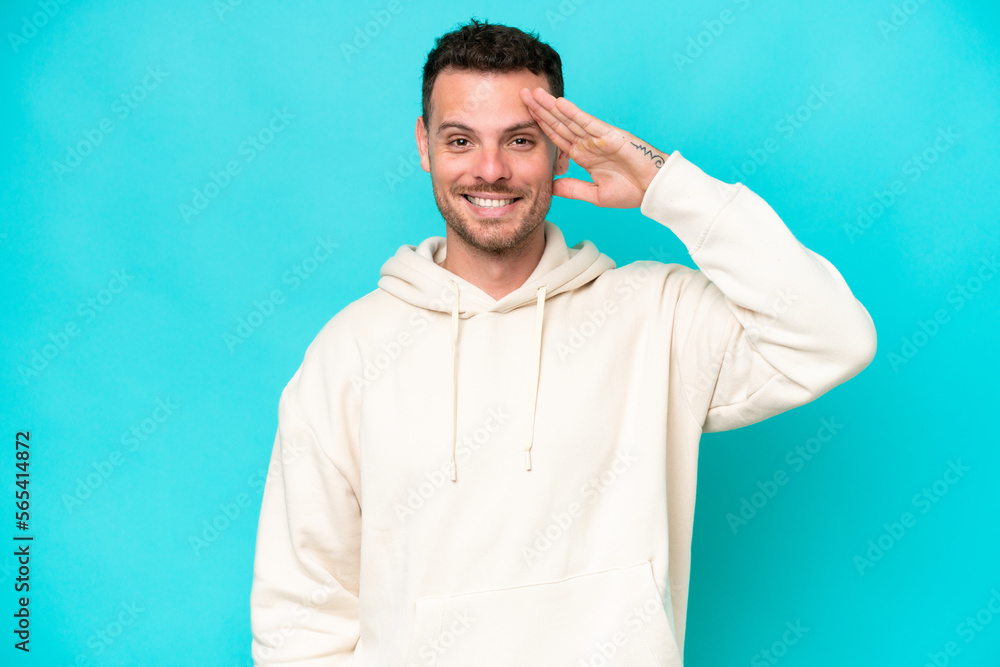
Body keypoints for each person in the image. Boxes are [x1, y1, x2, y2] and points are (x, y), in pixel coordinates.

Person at [249, 18, 877, 667]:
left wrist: (666, 187)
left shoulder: (656, 316)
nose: (489, 170)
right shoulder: (349, 353)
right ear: (424, 144)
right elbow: (300, 617)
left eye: (520, 140)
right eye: (461, 139)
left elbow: (833, 336)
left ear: (561, 150)